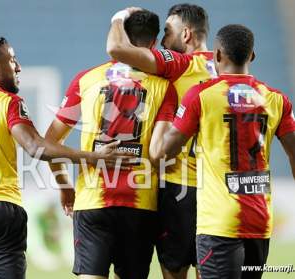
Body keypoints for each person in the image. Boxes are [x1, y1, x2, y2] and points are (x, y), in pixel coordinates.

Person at [0, 36, 132, 279]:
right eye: (12, 60)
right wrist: (91, 156)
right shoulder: (8, 103)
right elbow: (35, 146)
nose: (18, 67)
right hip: (2, 211)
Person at [45, 10, 177, 279]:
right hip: (140, 205)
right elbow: (159, 153)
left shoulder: (86, 80)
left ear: (121, 37)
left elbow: (50, 142)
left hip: (92, 202)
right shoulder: (165, 87)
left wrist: (64, 186)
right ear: (154, 44)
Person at [163, 24, 295, 279]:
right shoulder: (276, 99)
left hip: (219, 223)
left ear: (217, 55)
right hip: (259, 221)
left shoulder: (201, 96)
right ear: (252, 56)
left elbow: (167, 150)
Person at [107, 4, 215, 279]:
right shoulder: (227, 67)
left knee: (174, 272)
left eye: (168, 31)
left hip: (180, 187)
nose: (164, 38)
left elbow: (117, 50)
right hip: (217, 189)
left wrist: (119, 18)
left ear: (187, 34)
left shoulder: (180, 63)